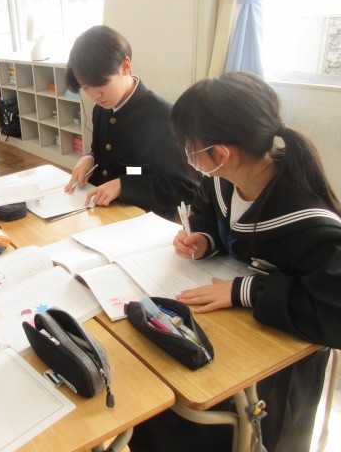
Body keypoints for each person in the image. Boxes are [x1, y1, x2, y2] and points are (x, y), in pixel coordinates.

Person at [130, 72, 341, 452]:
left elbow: (331, 309)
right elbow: (208, 215)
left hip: (282, 357)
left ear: (222, 153)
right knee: (160, 379)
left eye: (189, 146)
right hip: (234, 323)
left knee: (199, 414)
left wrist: (245, 291)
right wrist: (203, 239)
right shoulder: (223, 179)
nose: (187, 155)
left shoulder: (311, 223)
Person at [64, 25, 196, 221]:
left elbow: (184, 188)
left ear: (125, 66)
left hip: (144, 219)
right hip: (103, 212)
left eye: (100, 84)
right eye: (85, 87)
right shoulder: (102, 108)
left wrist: (125, 185)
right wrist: (89, 159)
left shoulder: (163, 117)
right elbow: (112, 159)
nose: (94, 95)